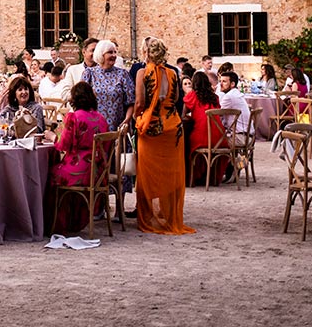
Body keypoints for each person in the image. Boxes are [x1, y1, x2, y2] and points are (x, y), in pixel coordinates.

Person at [131, 38, 194, 235]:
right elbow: (176, 100)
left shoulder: (142, 72)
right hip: (172, 125)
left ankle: (149, 216)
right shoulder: (173, 73)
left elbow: (140, 102)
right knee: (171, 172)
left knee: (147, 173)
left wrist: (135, 117)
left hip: (151, 127)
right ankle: (169, 216)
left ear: (146, 53)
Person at [50, 81, 110, 233]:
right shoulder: (101, 118)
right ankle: (75, 220)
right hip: (98, 172)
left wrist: (52, 137)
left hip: (79, 169)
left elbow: (63, 145)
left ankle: (57, 223)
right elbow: (107, 146)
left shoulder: (74, 117)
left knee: (50, 174)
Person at [186, 71, 228, 184]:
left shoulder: (192, 96)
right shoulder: (214, 97)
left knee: (187, 144)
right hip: (219, 137)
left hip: (203, 136)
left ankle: (193, 177)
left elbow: (183, 114)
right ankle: (211, 176)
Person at [83, 40, 135, 131]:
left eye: (115, 52)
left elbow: (131, 102)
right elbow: (82, 101)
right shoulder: (89, 74)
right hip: (94, 127)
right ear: (101, 54)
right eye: (110, 52)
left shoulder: (123, 74)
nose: (114, 55)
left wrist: (127, 120)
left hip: (118, 127)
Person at [217, 71, 251, 138]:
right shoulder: (236, 93)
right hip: (247, 135)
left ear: (232, 84)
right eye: (220, 81)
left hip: (239, 137)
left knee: (210, 138)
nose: (220, 84)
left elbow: (216, 114)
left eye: (224, 81)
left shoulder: (229, 96)